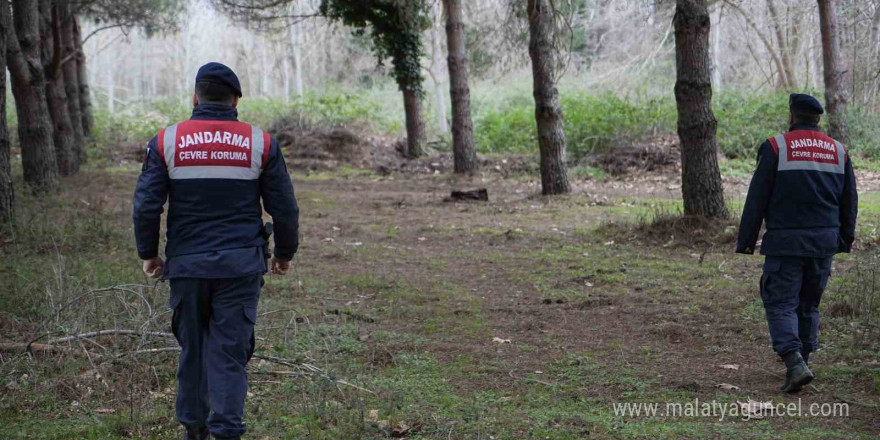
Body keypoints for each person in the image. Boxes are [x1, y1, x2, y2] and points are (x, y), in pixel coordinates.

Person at [133, 62, 300, 440]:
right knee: (228, 353)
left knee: (193, 350)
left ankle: (195, 430)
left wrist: (149, 253)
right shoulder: (261, 143)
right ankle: (226, 432)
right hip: (240, 267)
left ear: (195, 97)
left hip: (188, 267)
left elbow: (146, 205)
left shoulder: (166, 141)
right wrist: (285, 253)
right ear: (236, 100)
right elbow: (285, 207)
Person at [736, 93, 857, 393]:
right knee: (808, 304)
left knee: (780, 302)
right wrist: (844, 239)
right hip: (823, 244)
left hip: (786, 244)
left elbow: (757, 197)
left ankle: (794, 362)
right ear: (818, 119)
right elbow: (850, 200)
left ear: (792, 116)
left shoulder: (776, 146)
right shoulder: (839, 151)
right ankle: (802, 362)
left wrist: (747, 241)